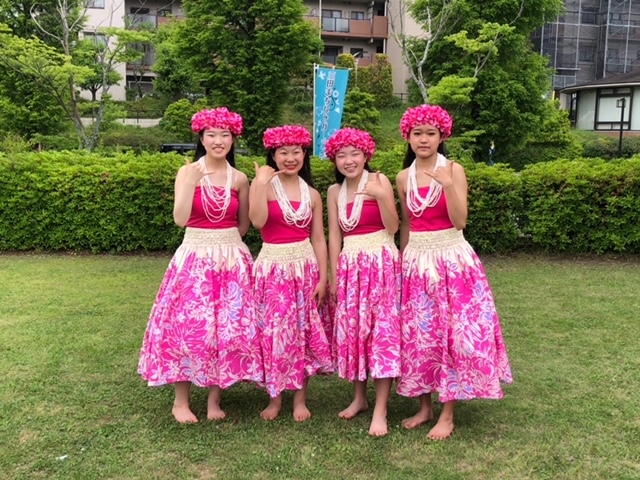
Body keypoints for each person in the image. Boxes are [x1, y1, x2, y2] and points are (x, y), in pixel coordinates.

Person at [138, 107, 263, 423]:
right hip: (194, 257)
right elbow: (180, 218)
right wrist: (191, 183)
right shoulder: (188, 172)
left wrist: (225, 245)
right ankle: (180, 401)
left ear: (233, 139)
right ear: (201, 138)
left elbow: (244, 225)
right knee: (188, 328)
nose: (218, 141)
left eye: (225, 135)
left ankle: (214, 398)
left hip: (231, 259)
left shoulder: (239, 178)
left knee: (226, 330)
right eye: (211, 135)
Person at [395, 104, 512, 440]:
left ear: (442, 136)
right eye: (417, 133)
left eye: (431, 133)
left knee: (453, 335)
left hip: (452, 260)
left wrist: (447, 185)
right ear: (408, 137)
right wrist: (403, 261)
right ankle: (425, 407)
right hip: (417, 262)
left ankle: (448, 413)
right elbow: (407, 223)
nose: (424, 139)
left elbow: (460, 220)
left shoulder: (453, 170)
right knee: (421, 335)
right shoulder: (403, 177)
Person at [250, 125, 332, 422]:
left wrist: (323, 277)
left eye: (296, 152)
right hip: (272, 267)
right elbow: (257, 222)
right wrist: (260, 184)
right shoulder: (263, 185)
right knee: (274, 332)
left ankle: (300, 398)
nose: (290, 158)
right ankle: (275, 397)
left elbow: (319, 238)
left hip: (304, 268)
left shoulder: (312, 194)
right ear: (272, 155)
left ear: (304, 155)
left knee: (302, 332)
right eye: (283, 152)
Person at [325, 128, 401, 437]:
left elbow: (393, 226)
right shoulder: (334, 191)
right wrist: (333, 275)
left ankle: (381, 408)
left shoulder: (379, 180)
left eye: (355, 154)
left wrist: (381, 196)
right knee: (355, 332)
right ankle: (360, 397)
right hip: (350, 267)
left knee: (382, 333)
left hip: (381, 263)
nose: (349, 161)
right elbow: (334, 235)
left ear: (366, 155)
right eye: (341, 155)